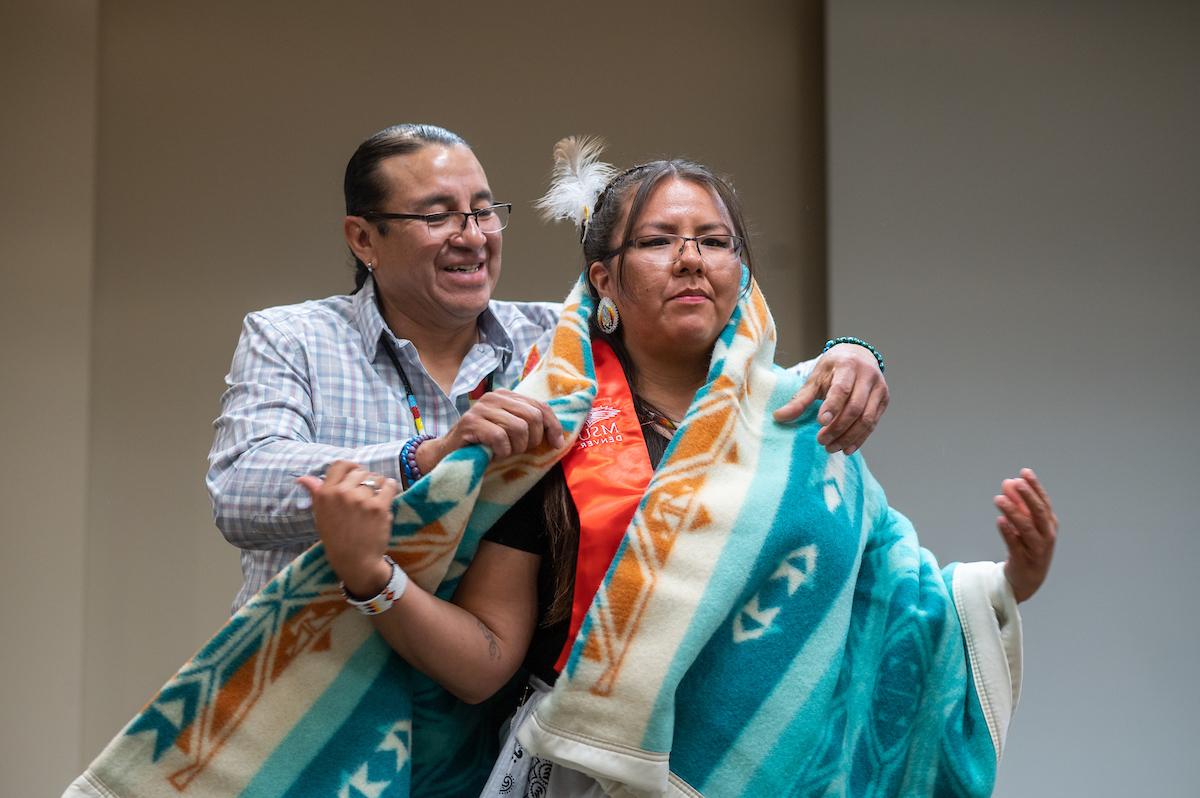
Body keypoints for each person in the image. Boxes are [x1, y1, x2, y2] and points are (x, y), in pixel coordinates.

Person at [300, 146, 1057, 795]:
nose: (692, 258)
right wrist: (371, 575)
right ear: (603, 278)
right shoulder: (545, 429)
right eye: (659, 239)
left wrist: (1007, 584)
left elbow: (892, 603)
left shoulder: (798, 416)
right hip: (584, 770)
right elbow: (487, 661)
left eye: (715, 240)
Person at [208, 124, 892, 612]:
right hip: (313, 689)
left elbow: (709, 377)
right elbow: (240, 491)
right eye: (438, 216)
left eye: (484, 213)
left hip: (474, 718)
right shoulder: (290, 336)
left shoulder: (556, 337)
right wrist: (425, 458)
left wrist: (849, 353)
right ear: (365, 238)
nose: (472, 237)